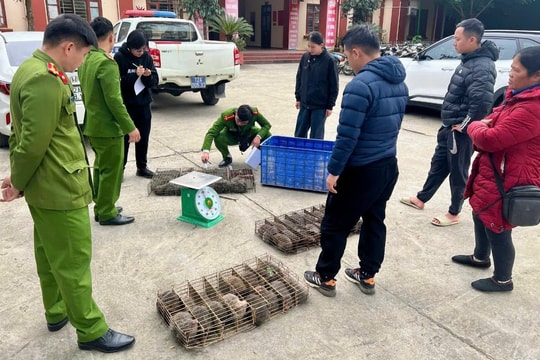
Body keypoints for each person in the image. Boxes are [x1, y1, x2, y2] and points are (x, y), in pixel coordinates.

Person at [0, 14, 135, 352]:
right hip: (59, 185)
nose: (84, 61)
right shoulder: (44, 79)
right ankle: (91, 329)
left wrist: (20, 177)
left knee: (49, 252)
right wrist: (16, 181)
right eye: (84, 54)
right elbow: (32, 140)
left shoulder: (29, 70)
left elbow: (23, 134)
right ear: (68, 46)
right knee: (73, 260)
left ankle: (57, 310)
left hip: (44, 186)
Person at [303, 24, 408, 297]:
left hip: (360, 169)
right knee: (374, 220)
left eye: (348, 55)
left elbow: (347, 137)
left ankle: (325, 277)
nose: (348, 61)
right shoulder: (399, 81)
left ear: (357, 52)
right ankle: (368, 275)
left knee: (336, 223)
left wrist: (334, 171)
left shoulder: (360, 86)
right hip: (387, 165)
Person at [451, 46, 540, 292]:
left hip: (510, 175)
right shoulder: (518, 95)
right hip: (495, 169)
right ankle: (480, 257)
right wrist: (484, 125)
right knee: (480, 211)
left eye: (517, 69)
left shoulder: (532, 107)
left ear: (537, 75)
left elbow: (489, 138)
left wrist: (474, 127)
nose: (510, 73)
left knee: (498, 225)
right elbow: (493, 119)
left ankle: (503, 279)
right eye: (511, 67)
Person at [400, 18, 499, 227]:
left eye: (457, 39)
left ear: (472, 40)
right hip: (449, 126)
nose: (454, 43)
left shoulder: (482, 66)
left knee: (458, 171)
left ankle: (454, 212)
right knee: (438, 165)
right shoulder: (469, 61)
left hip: (460, 132)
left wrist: (464, 126)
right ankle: (421, 198)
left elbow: (481, 104)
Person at [78, 17, 141, 226]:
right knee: (111, 172)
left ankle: (102, 204)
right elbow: (114, 101)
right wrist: (130, 127)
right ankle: (106, 211)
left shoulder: (86, 60)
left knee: (100, 168)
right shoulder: (106, 63)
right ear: (111, 37)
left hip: (93, 126)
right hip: (108, 128)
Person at [114, 30, 158, 179]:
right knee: (125, 139)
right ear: (130, 48)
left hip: (143, 104)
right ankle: (121, 168)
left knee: (143, 137)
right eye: (137, 50)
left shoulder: (146, 58)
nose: (141, 52)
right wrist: (134, 75)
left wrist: (148, 76)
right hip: (127, 105)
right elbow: (117, 82)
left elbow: (154, 81)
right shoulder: (120, 57)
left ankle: (142, 167)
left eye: (143, 49)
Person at [294, 31, 339, 139]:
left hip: (320, 106)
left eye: (313, 47)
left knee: (316, 137)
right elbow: (299, 78)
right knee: (299, 134)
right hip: (305, 103)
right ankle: (299, 155)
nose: (310, 49)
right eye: (308, 46)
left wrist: (330, 105)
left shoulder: (329, 61)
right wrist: (298, 98)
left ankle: (314, 155)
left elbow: (334, 85)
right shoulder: (305, 57)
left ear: (321, 45)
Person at [201, 105, 272, 167]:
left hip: (249, 133)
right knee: (218, 138)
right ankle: (227, 157)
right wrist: (206, 151)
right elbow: (211, 133)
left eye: (243, 122)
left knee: (268, 135)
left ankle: (258, 157)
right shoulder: (227, 115)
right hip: (232, 135)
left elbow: (267, 125)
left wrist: (258, 137)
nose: (239, 123)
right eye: (238, 120)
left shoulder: (254, 113)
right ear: (236, 113)